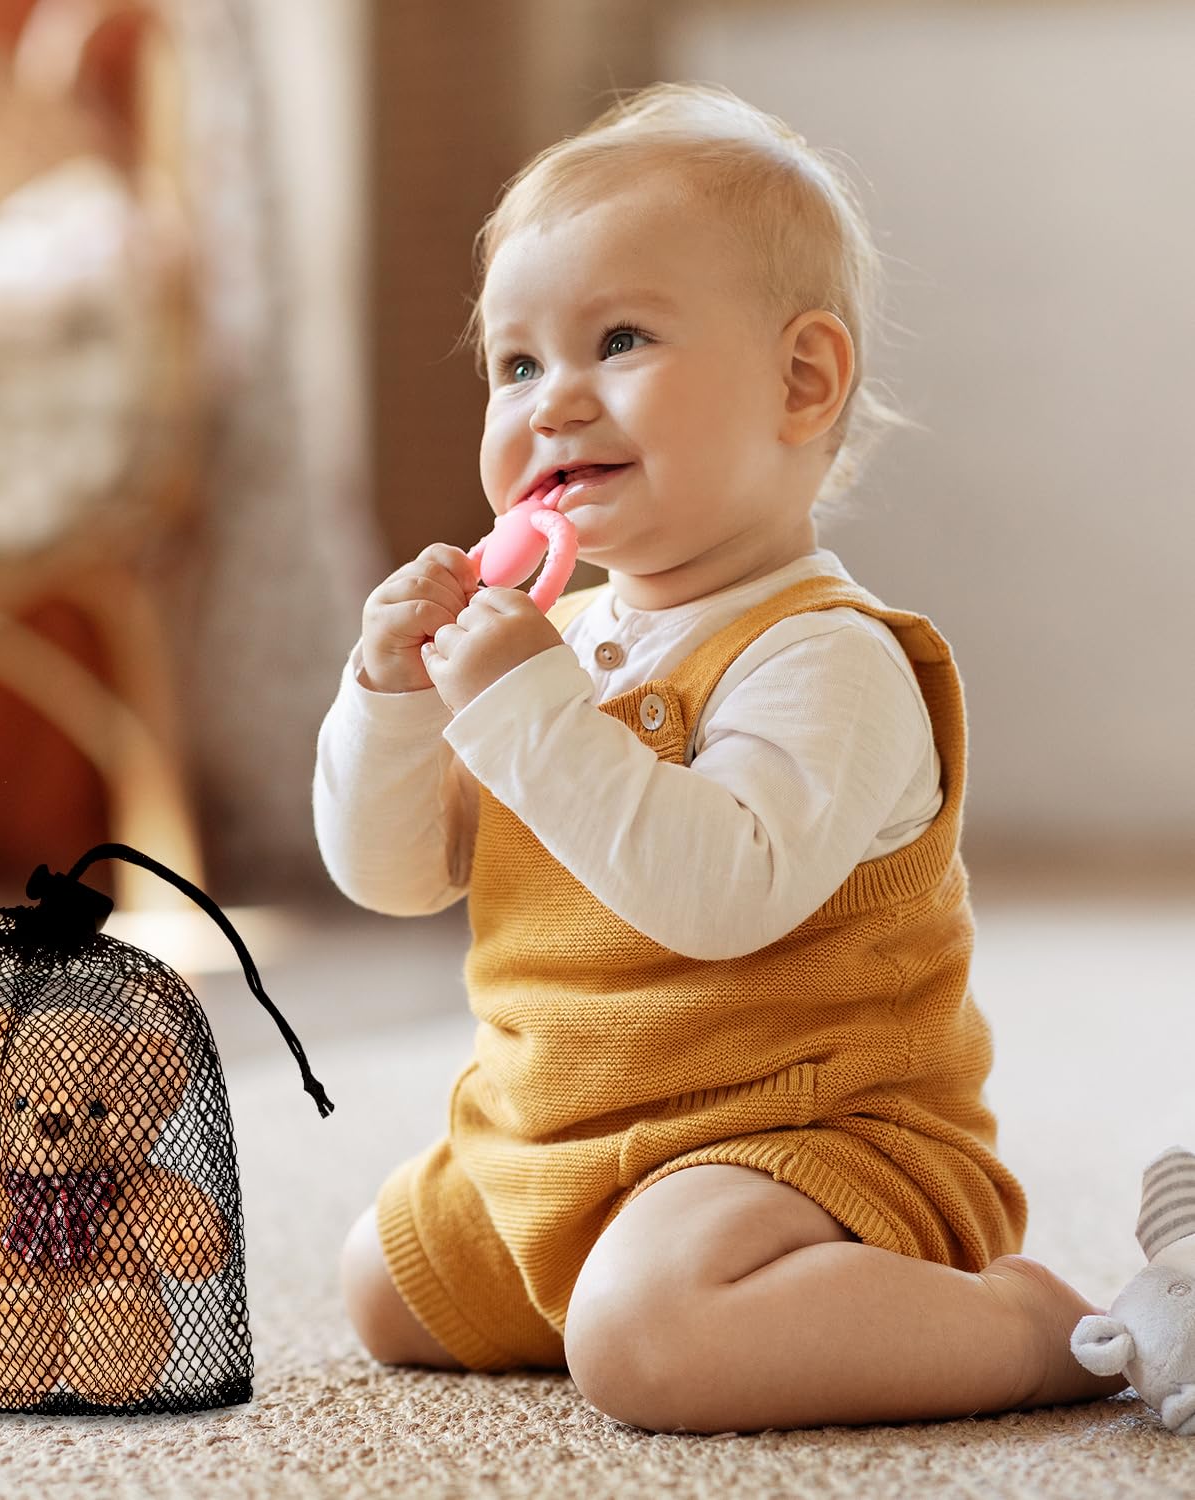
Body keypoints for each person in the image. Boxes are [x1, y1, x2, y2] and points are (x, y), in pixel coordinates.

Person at [311, 81, 1128, 1434]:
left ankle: (1025, 1327)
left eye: (617, 340)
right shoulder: (553, 647)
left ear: (801, 380)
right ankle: (640, 1273)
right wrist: (389, 698)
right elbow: (392, 877)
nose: (551, 403)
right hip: (561, 1134)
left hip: (809, 1141)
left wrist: (523, 706)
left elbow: (720, 895)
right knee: (384, 1287)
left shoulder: (828, 656)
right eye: (516, 366)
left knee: (648, 1344)